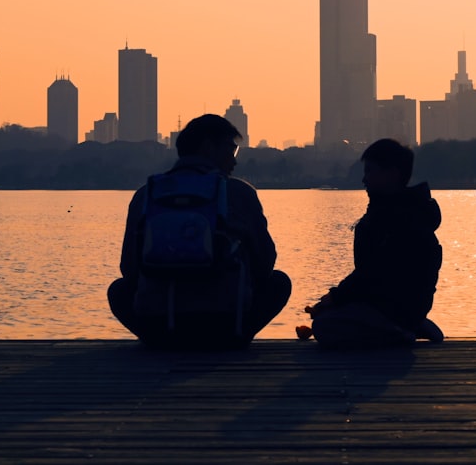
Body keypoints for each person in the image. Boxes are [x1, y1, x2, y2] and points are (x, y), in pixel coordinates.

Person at [108, 114, 291, 349]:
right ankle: (235, 339)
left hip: (160, 327)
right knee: (279, 282)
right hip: (225, 325)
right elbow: (265, 265)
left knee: (118, 289)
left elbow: (129, 269)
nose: (234, 162)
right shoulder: (238, 192)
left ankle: (161, 343)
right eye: (231, 150)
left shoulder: (147, 194)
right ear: (208, 147)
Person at [306, 138, 444, 348]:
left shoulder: (398, 220)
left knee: (324, 326)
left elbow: (373, 274)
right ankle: (410, 324)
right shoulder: (393, 212)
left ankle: (399, 331)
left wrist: (335, 297)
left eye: (370, 171)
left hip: (394, 305)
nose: (364, 179)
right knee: (332, 315)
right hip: (392, 303)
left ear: (392, 174)